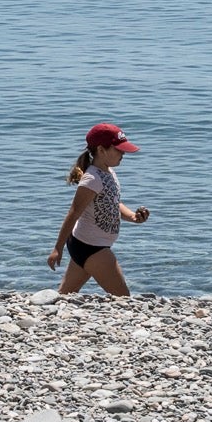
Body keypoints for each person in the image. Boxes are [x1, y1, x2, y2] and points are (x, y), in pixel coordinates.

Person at [47, 123, 151, 296]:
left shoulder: (108, 173)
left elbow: (113, 203)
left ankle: (46, 318)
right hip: (92, 248)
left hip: (84, 244)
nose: (123, 153)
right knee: (124, 299)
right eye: (118, 149)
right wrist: (57, 248)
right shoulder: (92, 179)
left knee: (64, 297)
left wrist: (133, 217)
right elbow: (73, 214)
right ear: (101, 150)